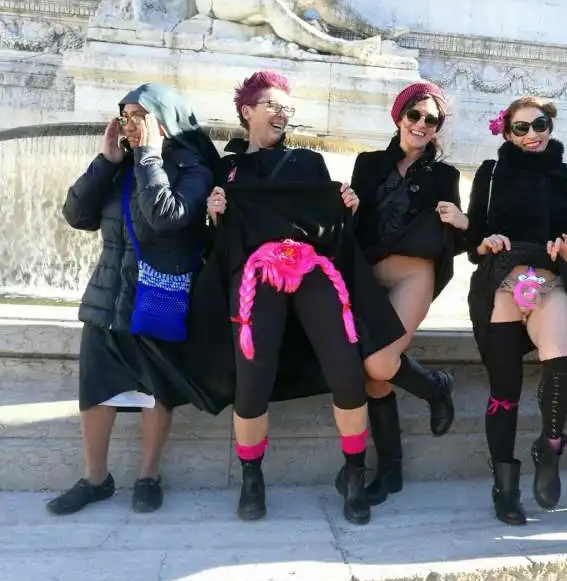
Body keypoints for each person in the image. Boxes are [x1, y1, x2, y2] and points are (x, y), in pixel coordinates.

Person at [201, 70, 406, 525]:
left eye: (286, 108)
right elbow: (219, 242)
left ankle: (354, 473)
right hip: (256, 272)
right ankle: (252, 477)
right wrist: (215, 215)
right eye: (271, 105)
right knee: (251, 376)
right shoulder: (227, 168)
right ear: (247, 111)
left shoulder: (308, 162)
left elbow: (328, 225)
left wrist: (346, 207)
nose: (281, 113)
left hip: (312, 265)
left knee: (347, 368)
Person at [47, 83, 216, 515]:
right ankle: (95, 478)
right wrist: (105, 162)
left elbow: (165, 218)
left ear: (165, 120)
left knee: (154, 390)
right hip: (107, 294)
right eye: (126, 116)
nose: (130, 124)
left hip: (158, 296)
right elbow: (76, 215)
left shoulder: (192, 169)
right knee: (95, 391)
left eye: (140, 116)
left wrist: (150, 158)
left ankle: (148, 475)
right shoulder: (119, 164)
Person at [466, 97, 567, 524]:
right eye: (521, 128)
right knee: (504, 390)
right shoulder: (492, 173)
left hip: (549, 278)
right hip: (502, 278)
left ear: (550, 126)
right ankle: (505, 486)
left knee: (562, 359)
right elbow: (473, 236)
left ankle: (549, 446)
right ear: (507, 132)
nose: (532, 134)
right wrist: (484, 242)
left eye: (539, 125)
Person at [349, 81, 464, 505]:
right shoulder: (368, 164)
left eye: (430, 119)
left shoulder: (445, 175)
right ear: (399, 117)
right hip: (368, 277)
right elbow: (351, 226)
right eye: (414, 115)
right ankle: (391, 470)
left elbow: (458, 241)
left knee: (379, 362)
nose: (421, 124)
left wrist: (462, 221)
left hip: (414, 275)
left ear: (436, 128)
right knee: (368, 372)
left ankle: (436, 386)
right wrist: (347, 206)